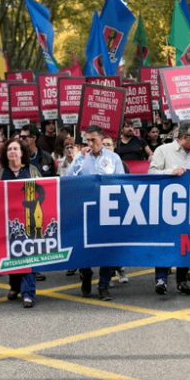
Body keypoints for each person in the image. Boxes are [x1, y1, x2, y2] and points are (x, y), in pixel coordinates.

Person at [63, 125, 122, 300]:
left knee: (107, 248)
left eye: (93, 140)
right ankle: (86, 273)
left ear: (101, 139)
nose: (90, 143)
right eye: (87, 140)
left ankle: (103, 285)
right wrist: (79, 159)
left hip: (107, 208)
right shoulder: (81, 157)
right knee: (83, 246)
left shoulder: (113, 158)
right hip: (84, 209)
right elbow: (67, 178)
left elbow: (122, 181)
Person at [148, 121, 190, 296]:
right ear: (184, 137)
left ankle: (182, 280)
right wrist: (170, 172)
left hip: (189, 208)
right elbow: (151, 173)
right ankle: (161, 279)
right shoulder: (163, 151)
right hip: (166, 206)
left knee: (185, 243)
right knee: (164, 243)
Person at [0, 137, 42, 307]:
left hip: (29, 219)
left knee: (28, 255)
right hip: (7, 221)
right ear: (5, 154)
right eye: (9, 149)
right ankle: (15, 286)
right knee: (11, 253)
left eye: (16, 149)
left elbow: (43, 190)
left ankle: (28, 294)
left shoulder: (32, 170)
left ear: (22, 153)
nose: (12, 151)